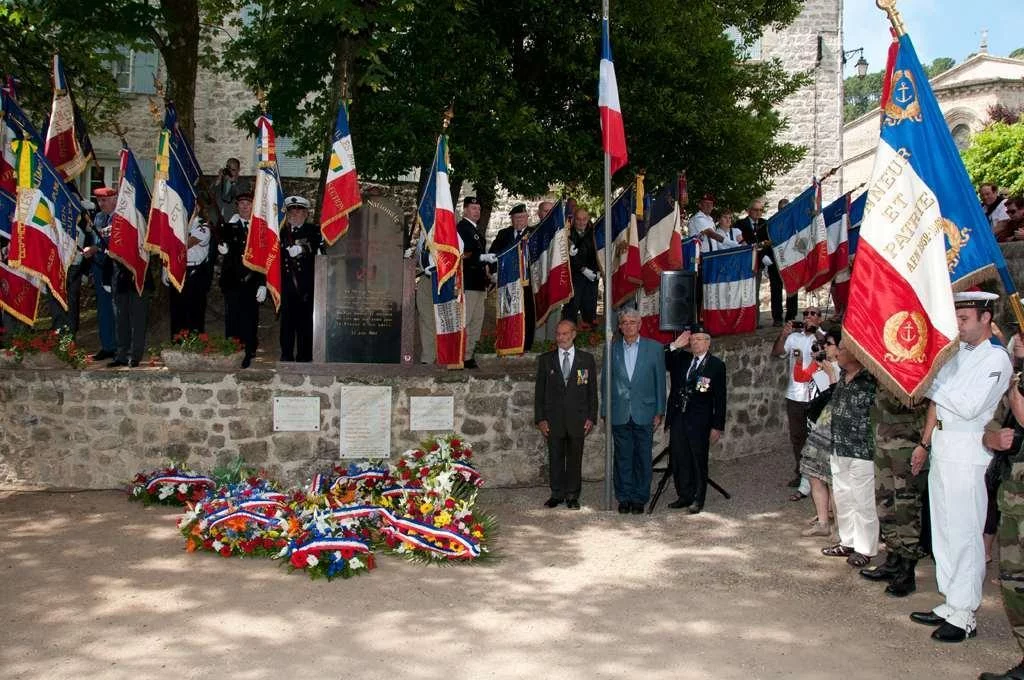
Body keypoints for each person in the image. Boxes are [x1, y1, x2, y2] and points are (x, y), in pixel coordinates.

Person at [909, 291, 1012, 643]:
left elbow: (969, 406)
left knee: (966, 532)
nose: (958, 325)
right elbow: (941, 399)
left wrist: (932, 383)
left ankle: (966, 612)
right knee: (944, 529)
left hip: (968, 450)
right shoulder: (955, 355)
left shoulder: (996, 359)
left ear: (985, 318)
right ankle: (951, 601)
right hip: (944, 445)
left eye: (964, 318)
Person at [979, 353, 1024, 680]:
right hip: (1013, 502)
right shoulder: (1018, 381)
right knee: (1013, 584)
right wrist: (992, 438)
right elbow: (993, 424)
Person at [859, 389, 929, 597]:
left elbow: (921, 401)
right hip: (883, 440)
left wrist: (924, 444)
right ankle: (892, 560)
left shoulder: (914, 364)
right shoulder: (884, 361)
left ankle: (907, 571)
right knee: (885, 504)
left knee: (906, 507)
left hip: (907, 442)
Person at [818, 337, 879, 568]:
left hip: (862, 449)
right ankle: (848, 541)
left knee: (863, 500)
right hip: (839, 446)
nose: (837, 353)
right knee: (843, 497)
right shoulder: (844, 376)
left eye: (841, 349)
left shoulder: (870, 378)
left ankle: (865, 548)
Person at [602, 308, 666, 514]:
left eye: (632, 322)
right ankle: (624, 497)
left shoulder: (654, 348)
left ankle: (639, 498)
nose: (628, 325)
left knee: (643, 457)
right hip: (619, 412)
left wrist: (659, 411)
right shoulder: (611, 349)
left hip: (645, 412)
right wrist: (605, 411)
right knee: (622, 457)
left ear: (640, 325)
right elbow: (606, 382)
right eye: (625, 322)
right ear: (620, 327)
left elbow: (659, 382)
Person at [534, 320, 598, 509]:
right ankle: (557, 493)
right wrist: (541, 419)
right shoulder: (546, 360)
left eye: (564, 334)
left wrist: (591, 417)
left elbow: (592, 392)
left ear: (573, 334)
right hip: (553, 420)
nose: (560, 337)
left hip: (578, 419)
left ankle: (572, 495)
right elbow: (539, 393)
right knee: (555, 457)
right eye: (558, 334)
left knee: (575, 458)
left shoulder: (586, 359)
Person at [664, 325, 726, 514]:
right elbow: (664, 359)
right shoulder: (681, 359)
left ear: (708, 342)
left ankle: (698, 498)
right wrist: (675, 344)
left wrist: (717, 426)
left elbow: (721, 398)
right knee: (679, 458)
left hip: (700, 421)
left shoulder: (715, 365)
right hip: (678, 417)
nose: (696, 342)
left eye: (700, 339)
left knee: (698, 460)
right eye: (693, 339)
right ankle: (684, 495)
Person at [771, 307, 825, 492]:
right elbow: (777, 353)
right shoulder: (794, 337)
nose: (808, 317)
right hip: (794, 394)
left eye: (813, 314)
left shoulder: (822, 336)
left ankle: (819, 475)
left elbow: (826, 349)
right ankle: (802, 472)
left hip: (817, 393)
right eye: (806, 314)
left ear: (820, 318)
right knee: (797, 436)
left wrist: (814, 330)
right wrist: (784, 335)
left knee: (817, 436)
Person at [797, 329, 841, 537]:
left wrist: (831, 375)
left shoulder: (844, 369)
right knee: (816, 475)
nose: (824, 348)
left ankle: (839, 526)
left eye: (829, 344)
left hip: (833, 428)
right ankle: (823, 520)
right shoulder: (822, 366)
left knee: (832, 479)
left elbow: (837, 400)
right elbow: (801, 377)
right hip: (817, 425)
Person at [218, 191, 265, 368]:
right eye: (242, 203)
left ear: (254, 206)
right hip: (233, 281)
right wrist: (220, 249)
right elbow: (219, 247)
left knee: (250, 319)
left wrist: (263, 284)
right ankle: (232, 352)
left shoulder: (260, 228)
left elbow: (264, 257)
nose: (245, 206)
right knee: (233, 319)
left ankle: (248, 352)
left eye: (248, 203)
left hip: (252, 281)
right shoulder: (229, 226)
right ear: (237, 206)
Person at [279, 195, 322, 362]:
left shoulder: (313, 230)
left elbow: (315, 244)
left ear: (306, 213)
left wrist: (302, 248)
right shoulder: (282, 232)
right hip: (286, 285)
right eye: (291, 211)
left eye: (298, 211)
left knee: (305, 323)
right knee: (287, 323)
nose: (294, 214)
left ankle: (305, 356)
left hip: (306, 286)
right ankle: (286, 355)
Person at [489, 203, 535, 351]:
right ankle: (509, 343)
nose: (519, 220)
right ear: (512, 220)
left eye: (522, 217)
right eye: (516, 218)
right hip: (508, 282)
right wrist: (494, 272)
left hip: (528, 282)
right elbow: (493, 254)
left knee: (528, 314)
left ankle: (526, 345)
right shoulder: (504, 234)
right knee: (508, 312)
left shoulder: (534, 233)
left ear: (527, 218)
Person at [457, 196, 490, 369]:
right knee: (466, 320)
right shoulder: (462, 228)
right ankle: (460, 355)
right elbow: (464, 255)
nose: (476, 211)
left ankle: (469, 355)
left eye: (478, 208)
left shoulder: (475, 230)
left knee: (477, 321)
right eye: (473, 208)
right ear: (465, 210)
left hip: (478, 283)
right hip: (467, 282)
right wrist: (481, 257)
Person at [166, 215, 211, 337]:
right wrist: (165, 268)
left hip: (194, 271)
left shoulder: (202, 225)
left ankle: (194, 344)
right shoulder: (175, 222)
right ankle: (177, 343)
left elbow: (186, 244)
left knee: (195, 311)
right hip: (176, 267)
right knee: (177, 310)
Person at [86, 187, 117, 360]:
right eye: (99, 201)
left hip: (114, 266)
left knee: (116, 307)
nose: (101, 204)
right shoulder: (98, 217)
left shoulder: (120, 217)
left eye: (104, 200)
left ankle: (120, 345)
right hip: (99, 265)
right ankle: (107, 346)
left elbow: (112, 241)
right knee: (103, 308)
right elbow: (96, 240)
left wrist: (96, 248)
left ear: (114, 199)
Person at [108, 256, 154, 368]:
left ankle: (135, 356)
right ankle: (121, 355)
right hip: (122, 279)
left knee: (139, 320)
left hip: (141, 277)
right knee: (121, 320)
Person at [563, 207, 598, 330]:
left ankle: (590, 338)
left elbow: (599, 253)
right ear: (574, 220)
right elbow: (564, 258)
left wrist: (598, 271)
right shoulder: (567, 234)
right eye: (578, 219)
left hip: (591, 278)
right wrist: (582, 269)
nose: (581, 222)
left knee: (590, 307)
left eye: (584, 219)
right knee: (572, 307)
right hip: (574, 277)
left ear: (588, 219)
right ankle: (568, 333)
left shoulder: (594, 233)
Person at [215, 157, 243, 223]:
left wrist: (232, 182)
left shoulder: (243, 183)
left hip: (232, 218)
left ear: (238, 170)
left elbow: (240, 198)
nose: (230, 172)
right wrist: (219, 179)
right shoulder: (220, 181)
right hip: (215, 218)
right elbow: (209, 196)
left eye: (233, 170)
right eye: (228, 169)